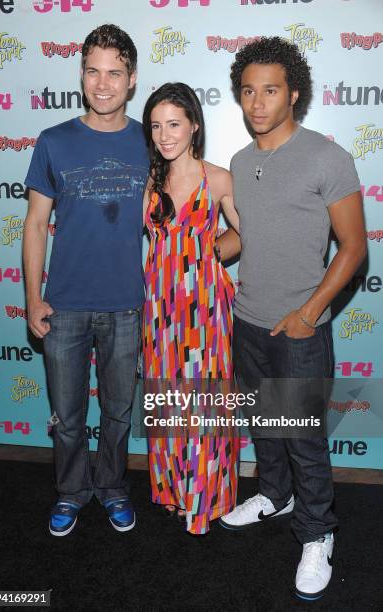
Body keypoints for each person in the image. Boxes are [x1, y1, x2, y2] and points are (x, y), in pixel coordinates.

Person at [217, 37, 366, 599]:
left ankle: (318, 531)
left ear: (294, 95)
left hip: (300, 329)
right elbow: (245, 238)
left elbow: (353, 248)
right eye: (249, 91)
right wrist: (194, 246)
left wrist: (308, 314)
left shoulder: (328, 157)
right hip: (246, 320)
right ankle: (273, 496)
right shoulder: (240, 161)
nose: (257, 102)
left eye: (270, 90)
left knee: (304, 437)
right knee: (265, 427)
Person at [23, 24, 149, 536]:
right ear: (81, 75)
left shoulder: (151, 140)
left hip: (126, 304)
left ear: (132, 79)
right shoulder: (53, 141)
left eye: (114, 73)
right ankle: (72, 492)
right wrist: (33, 298)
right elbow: (35, 225)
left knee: (118, 412)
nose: (103, 83)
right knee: (67, 415)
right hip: (65, 305)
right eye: (93, 71)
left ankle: (113, 487)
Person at [142, 82, 240, 535]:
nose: (165, 135)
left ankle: (203, 497)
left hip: (204, 307)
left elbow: (246, 234)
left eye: (174, 124)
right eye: (157, 126)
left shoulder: (217, 178)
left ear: (194, 125)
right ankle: (175, 490)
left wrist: (209, 257)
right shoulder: (150, 180)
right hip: (159, 306)